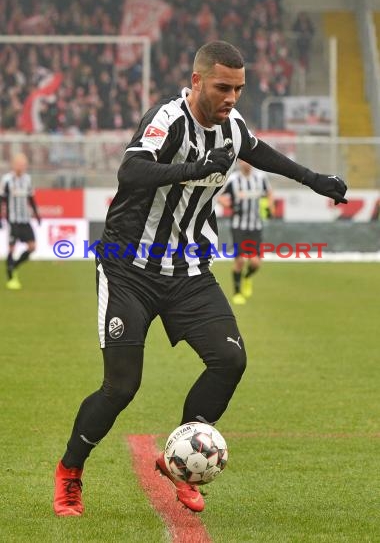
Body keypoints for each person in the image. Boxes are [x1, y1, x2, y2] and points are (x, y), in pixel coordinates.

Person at [53, 40, 347, 516]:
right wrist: (195, 168)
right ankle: (70, 472)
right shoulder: (168, 119)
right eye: (222, 87)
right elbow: (131, 171)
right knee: (121, 388)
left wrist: (316, 180)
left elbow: (261, 152)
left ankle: (179, 462)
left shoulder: (233, 127)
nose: (232, 97)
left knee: (230, 361)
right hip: (129, 268)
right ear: (196, 82)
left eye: (239, 88)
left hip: (188, 270)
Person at [218, 159, 274, 305]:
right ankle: (237, 292)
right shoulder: (233, 179)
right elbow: (217, 195)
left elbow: (269, 193)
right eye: (242, 161)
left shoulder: (260, 177)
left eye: (248, 161)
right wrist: (227, 204)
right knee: (240, 260)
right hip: (238, 226)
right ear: (238, 162)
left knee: (255, 263)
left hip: (255, 226)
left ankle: (247, 277)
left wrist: (270, 207)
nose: (246, 163)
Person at [0, 152, 41, 290]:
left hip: (25, 220)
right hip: (13, 220)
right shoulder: (6, 180)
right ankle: (11, 278)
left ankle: (15, 265)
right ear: (14, 165)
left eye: (24, 164)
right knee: (11, 248)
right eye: (19, 164)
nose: (22, 166)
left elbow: (31, 198)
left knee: (32, 247)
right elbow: (2, 200)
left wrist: (37, 215)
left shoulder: (27, 180)